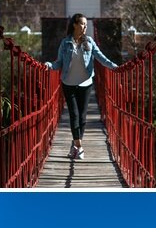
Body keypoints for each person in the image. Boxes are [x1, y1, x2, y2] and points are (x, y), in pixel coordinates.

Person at [45, 13, 118, 160]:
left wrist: (115, 67)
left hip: (86, 83)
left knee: (82, 116)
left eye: (86, 24)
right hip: (68, 83)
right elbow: (59, 63)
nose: (85, 27)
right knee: (74, 114)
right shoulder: (65, 43)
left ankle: (76, 146)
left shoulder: (89, 42)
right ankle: (79, 146)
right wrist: (49, 65)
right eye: (82, 24)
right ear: (74, 25)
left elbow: (101, 58)